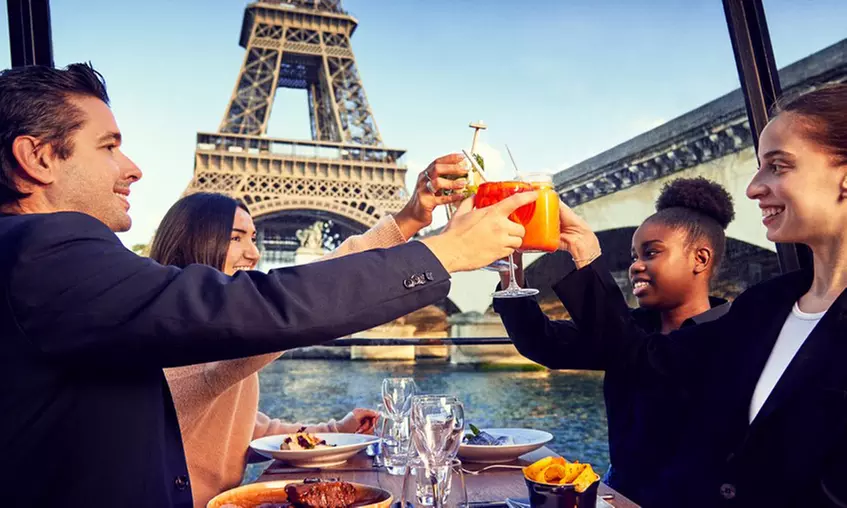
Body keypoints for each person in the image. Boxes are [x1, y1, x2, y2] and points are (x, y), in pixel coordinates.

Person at [0, 63, 536, 508]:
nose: (133, 167)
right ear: (39, 157)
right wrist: (441, 251)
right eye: (109, 146)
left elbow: (264, 318)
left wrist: (407, 222)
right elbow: (267, 306)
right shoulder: (42, 251)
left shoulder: (51, 264)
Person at [545, 84, 847, 507]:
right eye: (759, 167)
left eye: (778, 167)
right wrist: (582, 252)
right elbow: (643, 359)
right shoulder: (764, 306)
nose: (754, 187)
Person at [154, 154, 468, 507]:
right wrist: (414, 229)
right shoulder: (182, 340)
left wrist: (338, 429)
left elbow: (244, 432)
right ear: (193, 243)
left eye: (254, 238)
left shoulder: (203, 339)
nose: (253, 253)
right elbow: (320, 288)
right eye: (236, 238)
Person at [495, 177, 734, 506]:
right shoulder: (633, 328)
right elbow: (543, 342)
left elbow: (641, 357)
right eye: (634, 255)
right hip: (616, 494)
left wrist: (587, 254)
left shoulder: (729, 333)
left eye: (651, 253)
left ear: (700, 259)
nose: (635, 265)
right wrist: (510, 272)